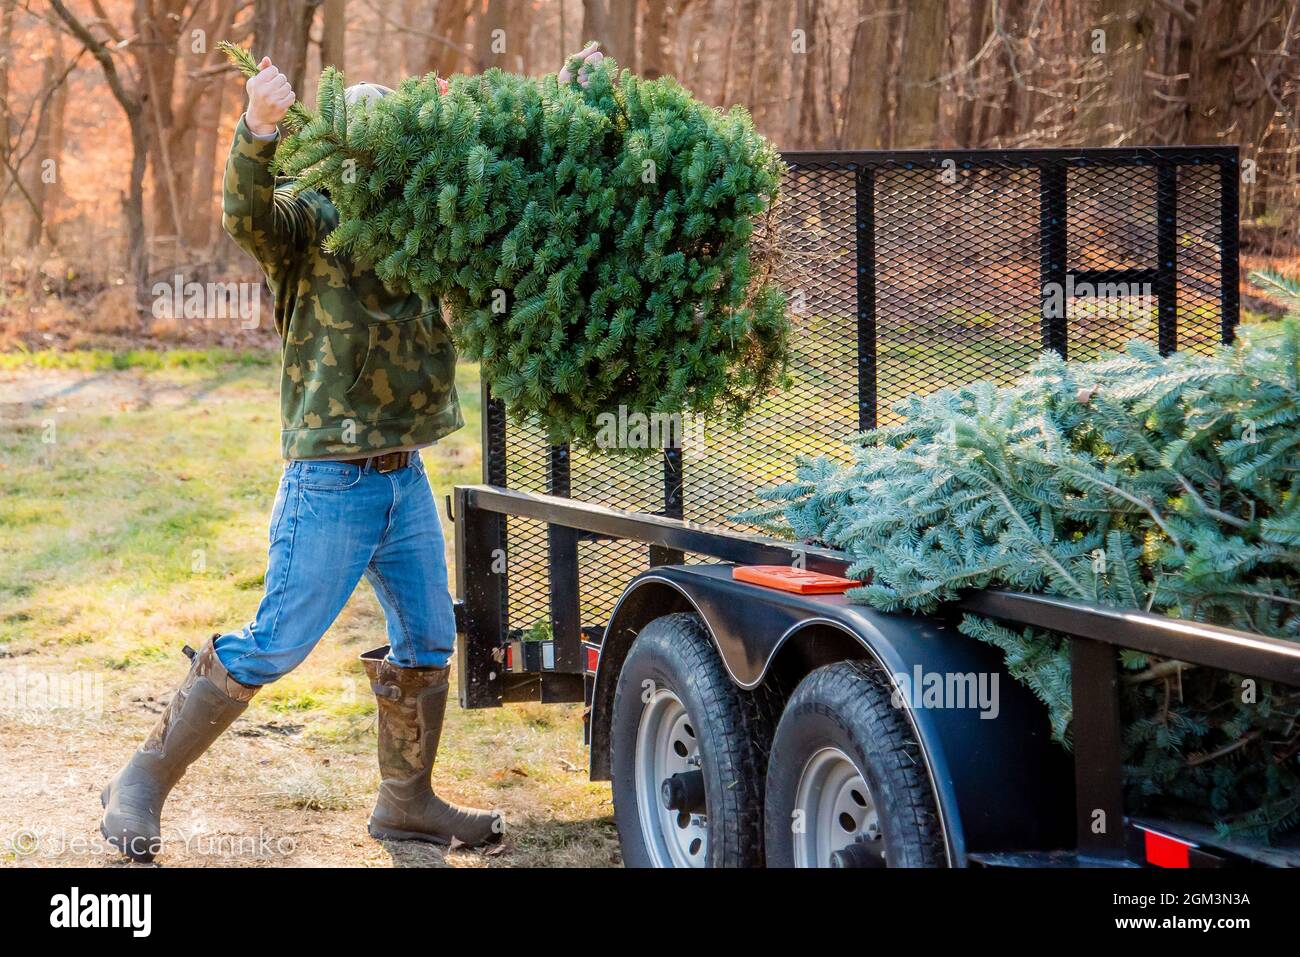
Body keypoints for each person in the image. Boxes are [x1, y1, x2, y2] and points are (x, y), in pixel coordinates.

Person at [99, 43, 605, 863]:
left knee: (430, 639)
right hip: (330, 478)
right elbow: (246, 214)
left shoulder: (427, 222)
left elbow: (497, 162)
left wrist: (558, 96)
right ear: (340, 147)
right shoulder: (307, 218)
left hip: (402, 474)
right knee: (274, 642)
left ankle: (404, 804)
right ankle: (140, 783)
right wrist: (256, 132)